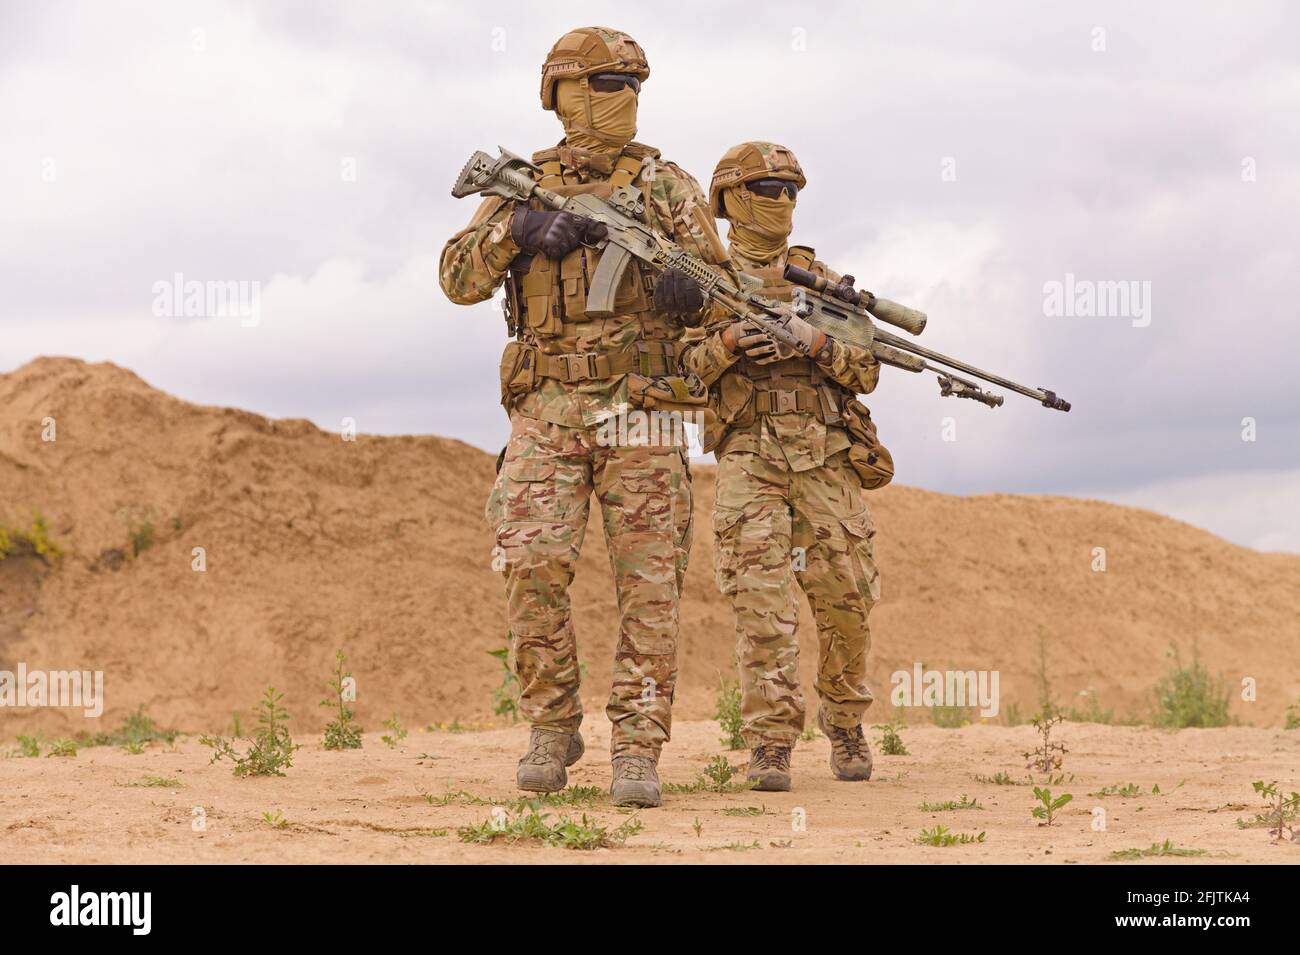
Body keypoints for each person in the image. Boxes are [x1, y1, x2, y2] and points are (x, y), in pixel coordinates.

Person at [439, 27, 725, 808]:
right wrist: (516, 231)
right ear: (561, 91)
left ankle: (636, 744)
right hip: (546, 408)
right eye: (604, 82)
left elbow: (726, 303)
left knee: (651, 583)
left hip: (644, 411)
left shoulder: (666, 187)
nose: (621, 98)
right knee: (530, 565)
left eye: (632, 83)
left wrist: (692, 298)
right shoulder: (522, 184)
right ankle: (550, 723)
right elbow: (456, 279)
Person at [680, 142, 890, 791]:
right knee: (761, 604)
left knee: (847, 596)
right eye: (766, 188)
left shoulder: (819, 281)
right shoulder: (701, 280)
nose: (780, 201)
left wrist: (817, 341)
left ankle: (846, 718)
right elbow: (678, 371)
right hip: (749, 454)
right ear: (730, 200)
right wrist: (727, 343)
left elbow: (869, 369)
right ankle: (771, 740)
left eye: (790, 190)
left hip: (825, 454)